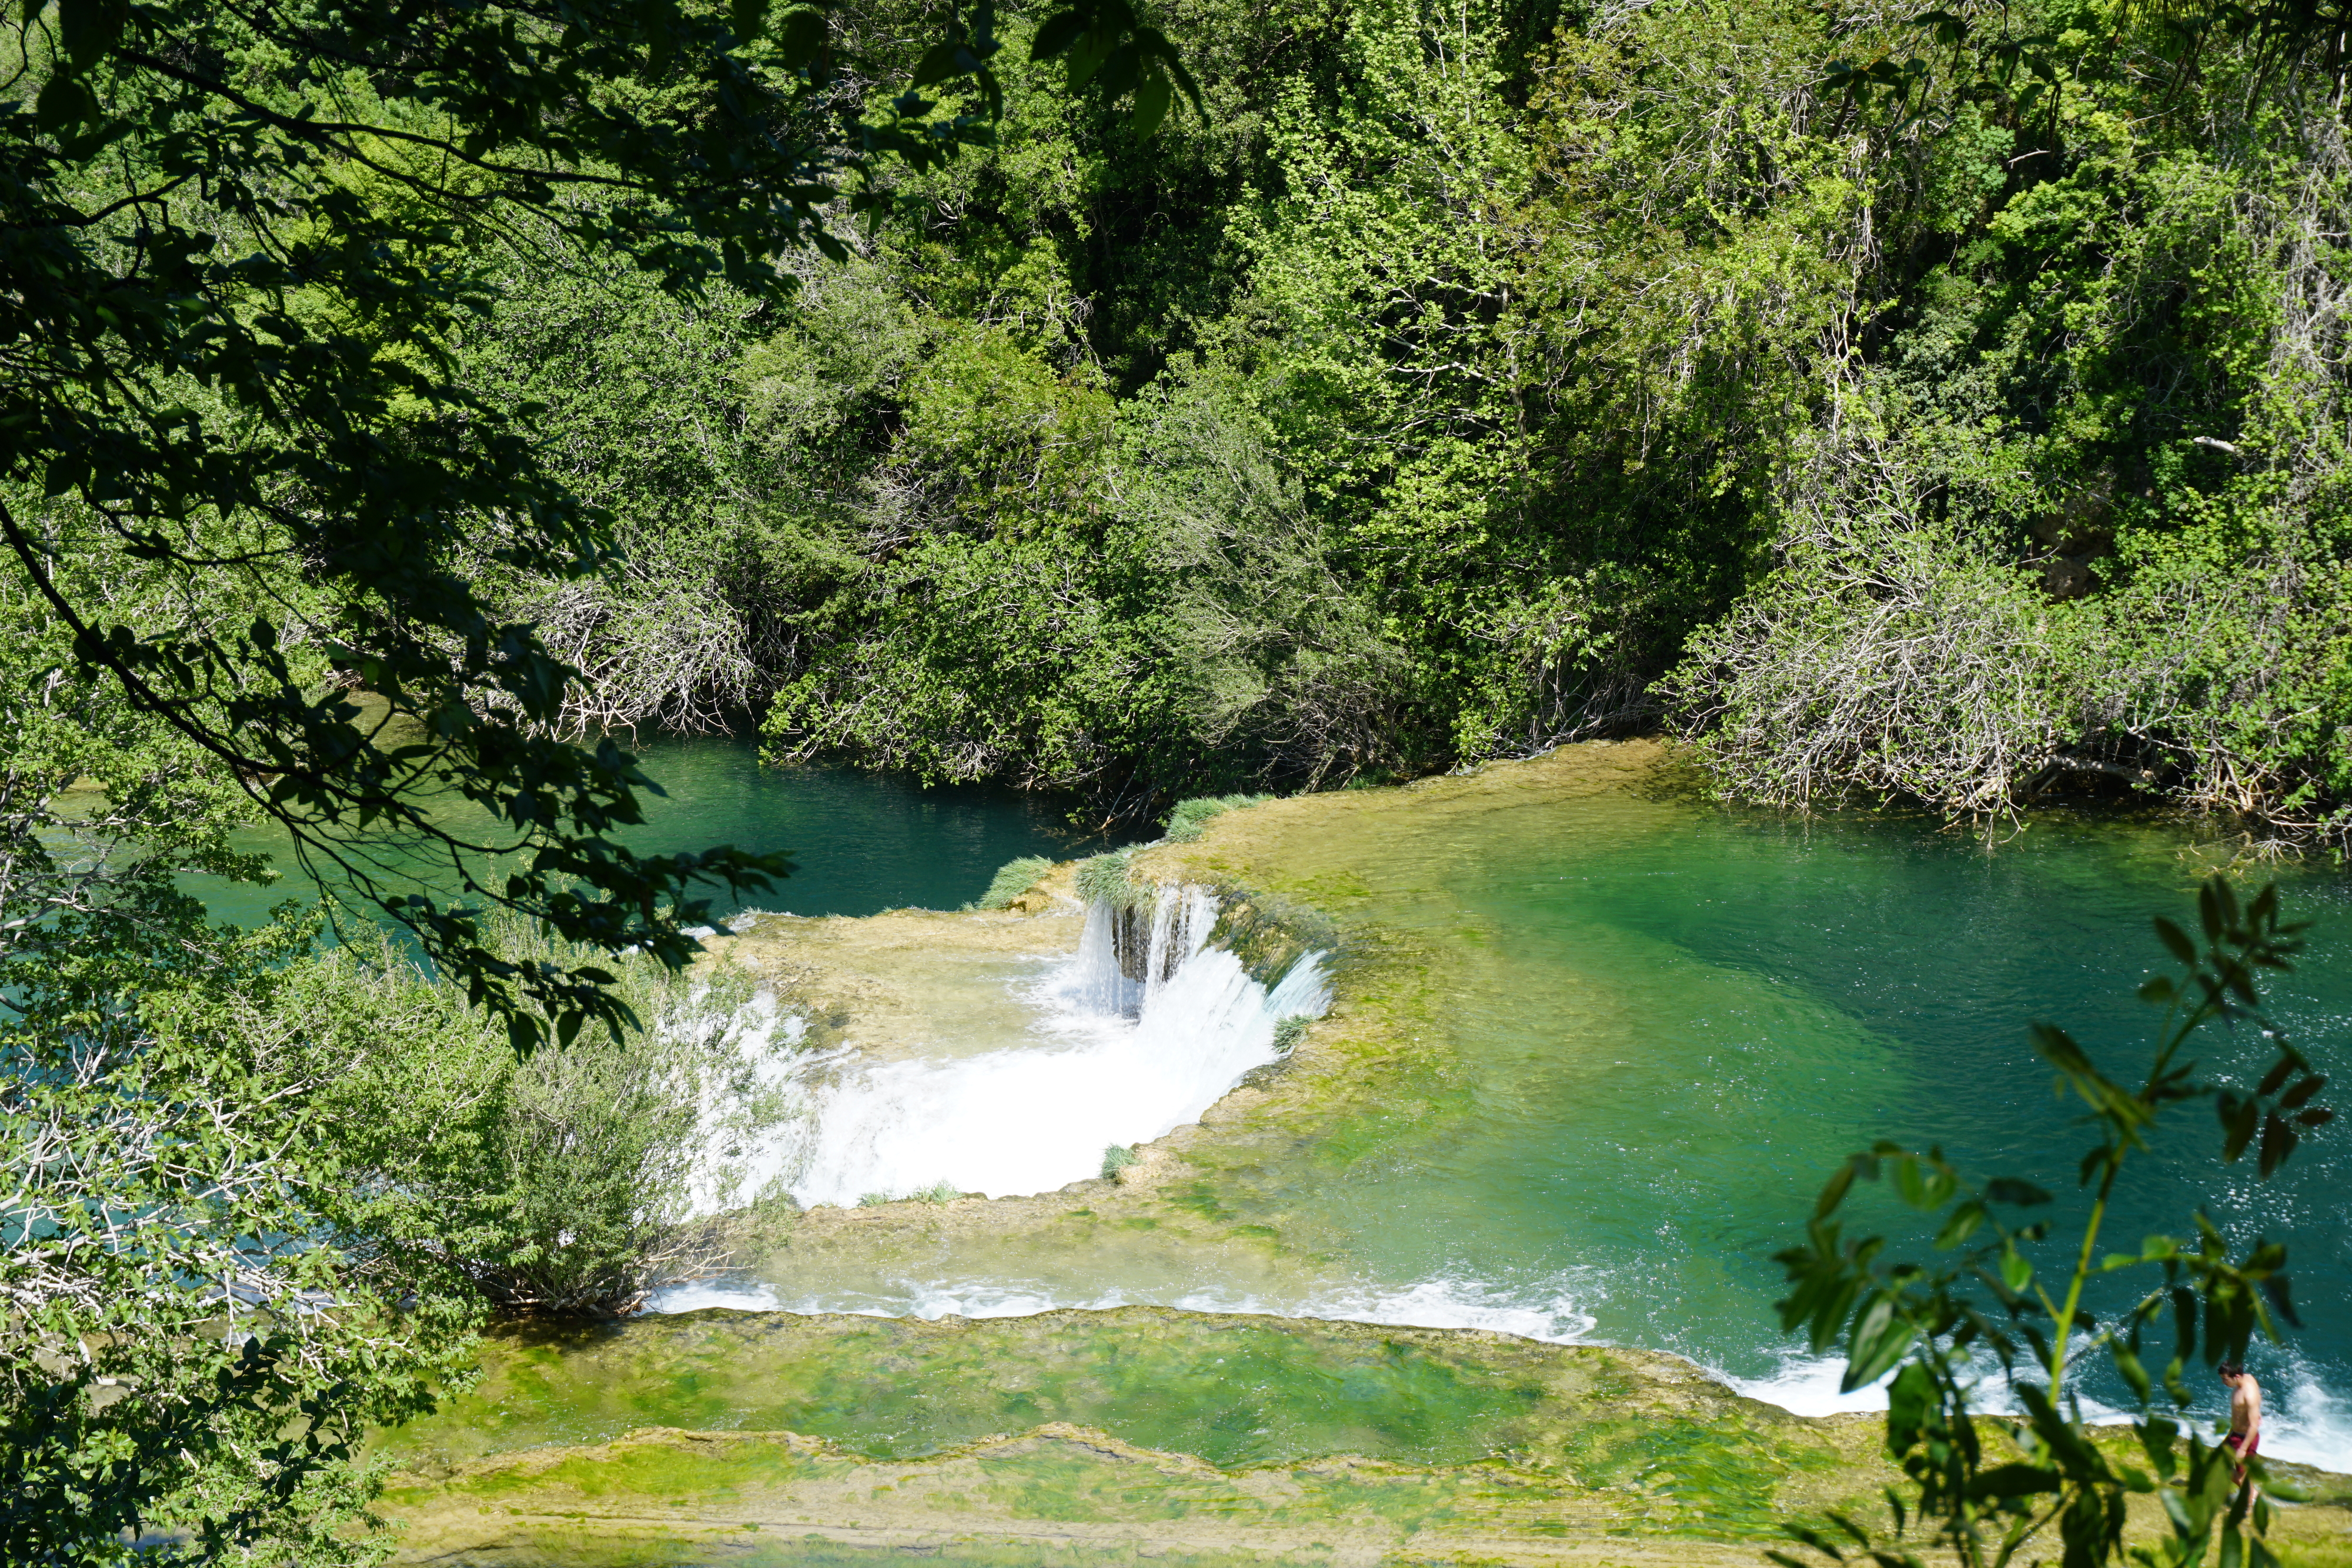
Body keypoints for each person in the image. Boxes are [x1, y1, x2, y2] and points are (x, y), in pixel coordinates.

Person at [2220, 1362, 2263, 1495]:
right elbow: (2259, 1396)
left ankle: (2252, 1497)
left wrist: (2243, 1449)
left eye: (2225, 1379)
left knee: (2240, 1477)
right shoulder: (2248, 1378)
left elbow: (2254, 1426)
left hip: (2245, 1439)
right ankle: (2252, 1494)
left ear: (2237, 1376)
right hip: (2234, 1434)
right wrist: (2256, 1411)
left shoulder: (2248, 1395)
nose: (2223, 1382)